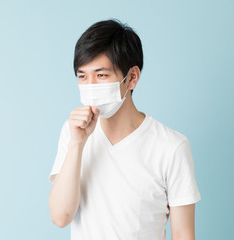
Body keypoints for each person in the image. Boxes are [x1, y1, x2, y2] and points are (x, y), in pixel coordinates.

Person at [48, 19, 201, 240]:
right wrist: (77, 143)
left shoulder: (172, 147)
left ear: (132, 77)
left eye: (101, 75)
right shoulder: (72, 134)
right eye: (82, 76)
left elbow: (183, 234)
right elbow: (60, 217)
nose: (90, 85)